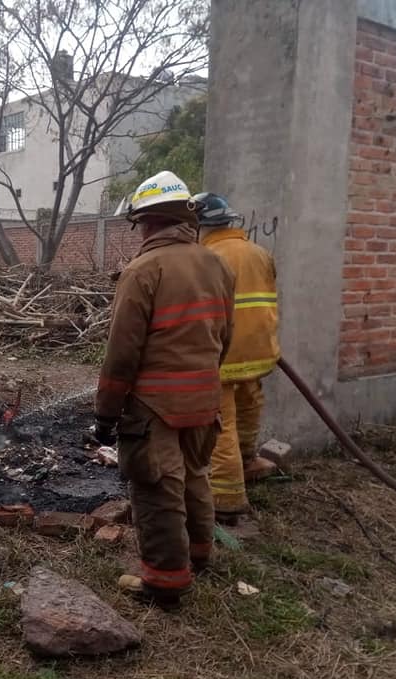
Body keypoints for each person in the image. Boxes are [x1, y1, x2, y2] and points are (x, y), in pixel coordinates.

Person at [95, 171, 235, 610]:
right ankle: (199, 554)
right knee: (195, 477)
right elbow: (223, 336)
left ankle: (165, 582)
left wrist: (106, 413)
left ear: (148, 222)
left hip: (154, 404)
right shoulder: (216, 264)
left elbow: (122, 353)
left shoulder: (143, 270)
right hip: (203, 398)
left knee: (157, 489)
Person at [188, 192, 280, 523]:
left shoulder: (205, 257)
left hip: (225, 354)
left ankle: (227, 497)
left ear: (200, 225)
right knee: (250, 404)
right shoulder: (260, 252)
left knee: (221, 421)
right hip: (260, 350)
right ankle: (248, 459)